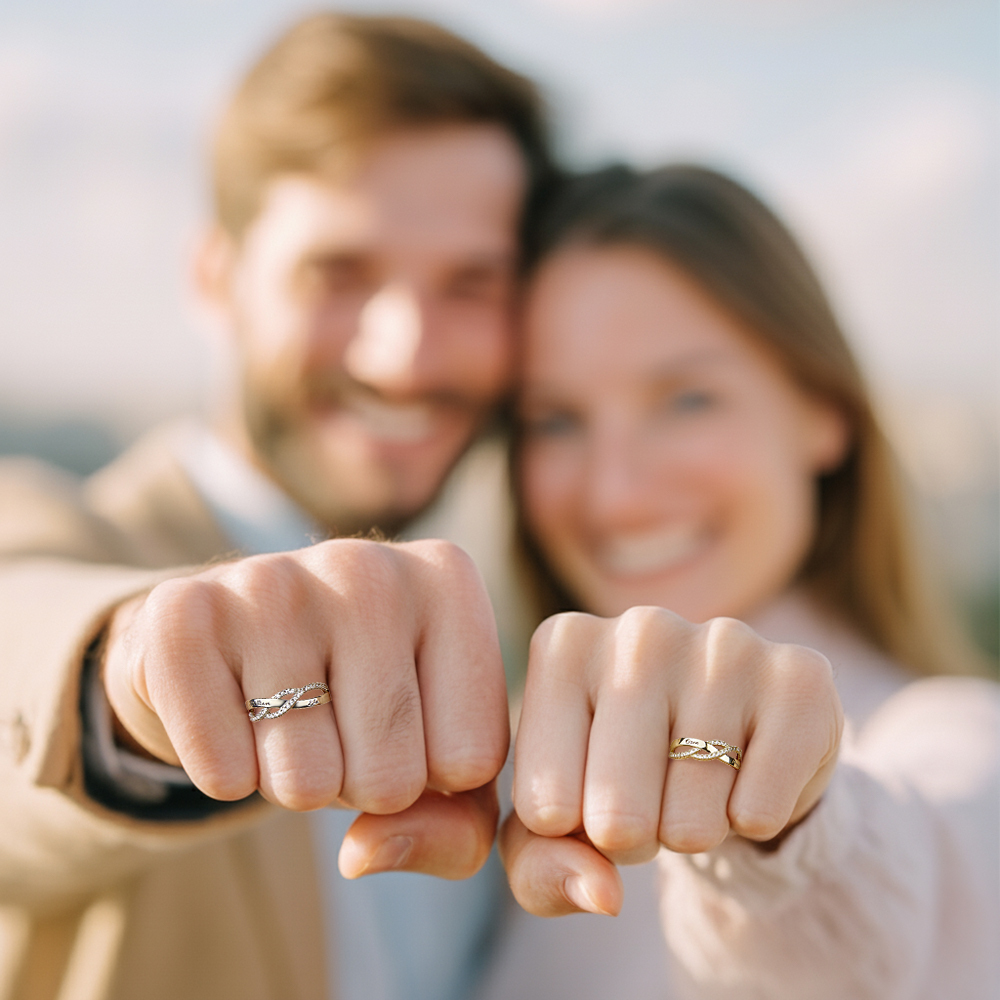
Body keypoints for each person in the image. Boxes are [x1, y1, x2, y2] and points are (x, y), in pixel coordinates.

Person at [0, 13, 555, 1000]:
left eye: (471, 283)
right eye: (338, 273)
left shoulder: (527, 618)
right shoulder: (69, 539)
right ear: (216, 280)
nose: (406, 355)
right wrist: (137, 679)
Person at [488, 164, 999, 998]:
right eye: (555, 420)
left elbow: (878, 916)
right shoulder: (510, 776)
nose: (614, 492)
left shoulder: (956, 745)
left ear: (823, 411)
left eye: (687, 399)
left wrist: (780, 827)